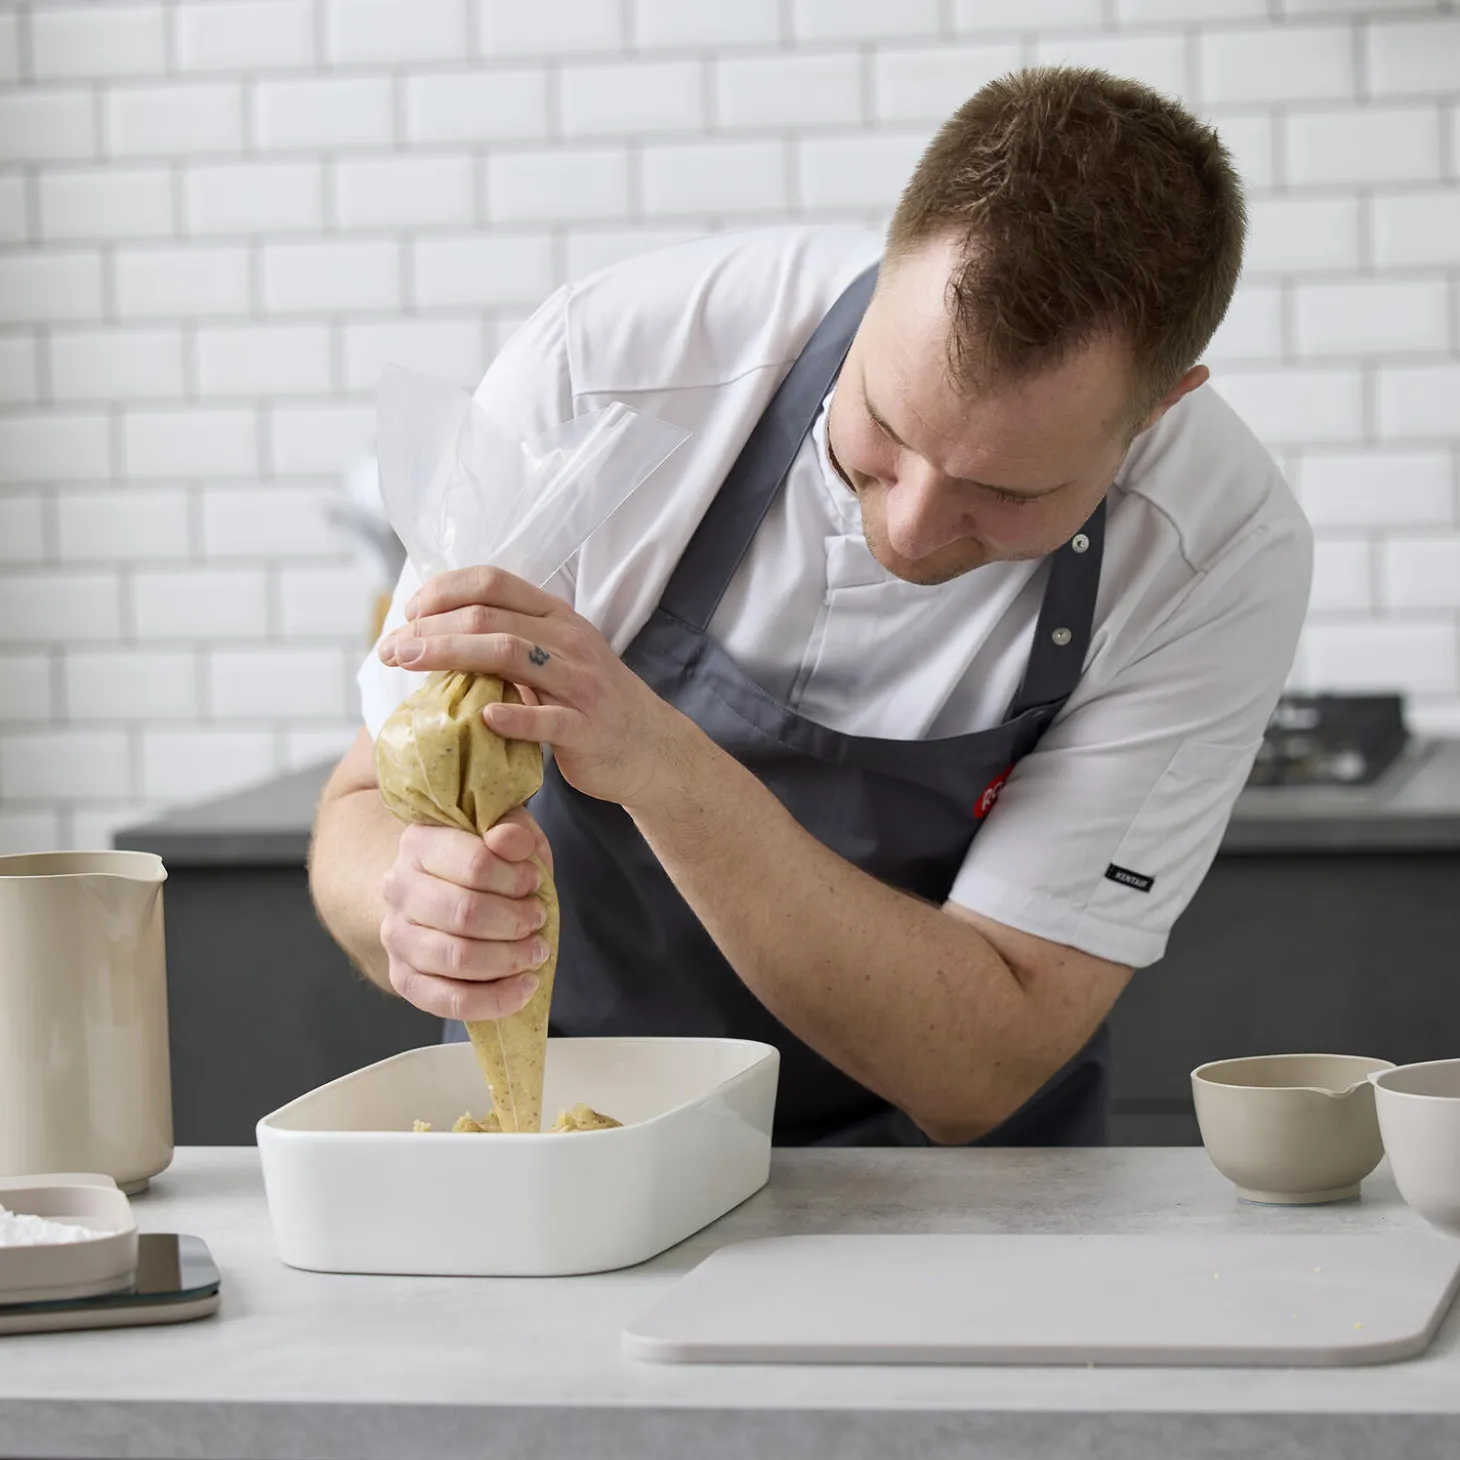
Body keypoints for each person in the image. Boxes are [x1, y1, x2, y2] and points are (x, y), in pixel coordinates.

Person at [309, 67, 1312, 1147]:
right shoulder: (607, 375)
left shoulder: (1214, 549)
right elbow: (363, 806)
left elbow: (985, 1065)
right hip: (573, 1146)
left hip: (951, 1198)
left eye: (1007, 493)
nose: (913, 528)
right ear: (885, 271)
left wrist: (664, 762)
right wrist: (410, 906)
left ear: (1159, 408)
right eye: (885, 428)